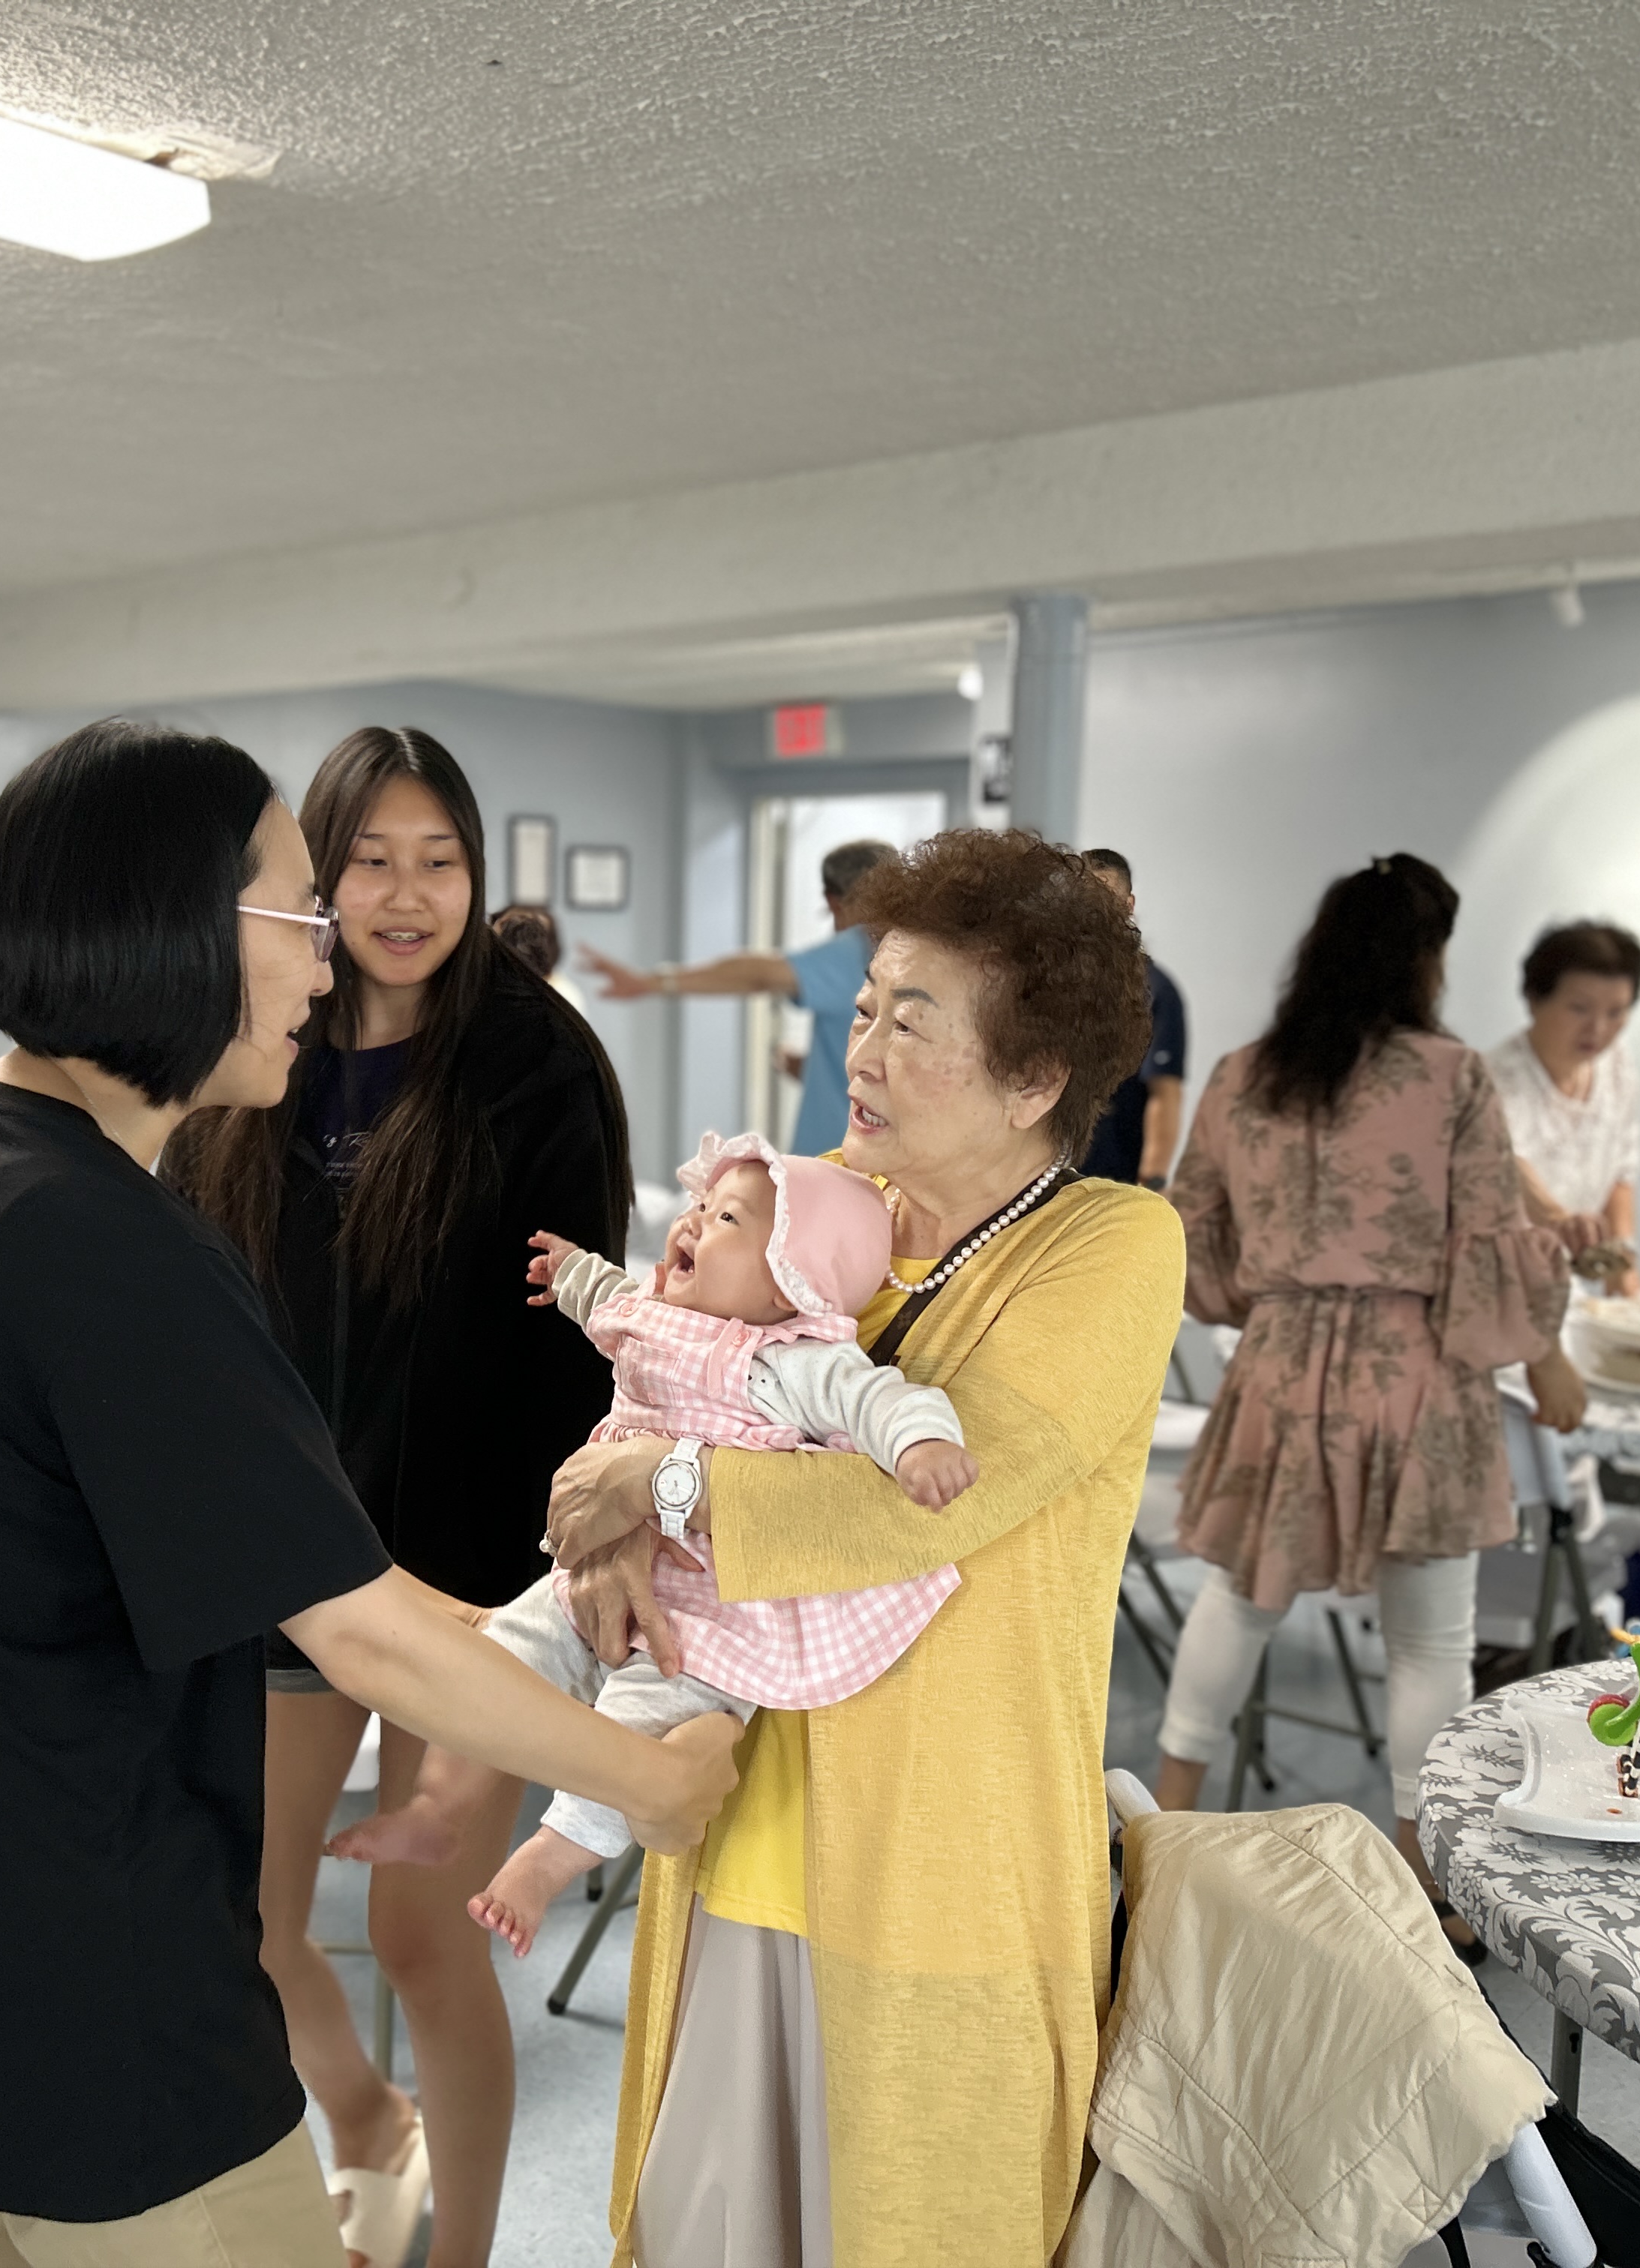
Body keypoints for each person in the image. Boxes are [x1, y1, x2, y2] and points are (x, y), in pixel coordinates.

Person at [0, 719, 738, 2268]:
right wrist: (651, 1781)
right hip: (95, 2039)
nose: (324, 953)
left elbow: (313, 1563)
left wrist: (550, 1606)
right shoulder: (104, 1246)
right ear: (174, 927)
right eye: (304, 904)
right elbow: (355, 1631)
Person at [542, 830, 1182, 2265]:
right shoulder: (806, 1197)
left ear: (1034, 1077)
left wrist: (665, 1485)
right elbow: (648, 1376)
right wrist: (608, 1527)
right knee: (711, 2221)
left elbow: (934, 1494)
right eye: (866, 1005)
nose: (864, 1047)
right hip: (736, 1813)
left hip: (940, 1846)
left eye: (914, 1019)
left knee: (910, 2217)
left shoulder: (1109, 1244)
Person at [165, 727, 633, 2268]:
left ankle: (463, 2249)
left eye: (440, 860)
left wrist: (556, 1591)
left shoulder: (535, 1061)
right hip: (297, 1561)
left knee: (425, 1933)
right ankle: (369, 2118)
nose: (407, 894)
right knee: (247, 1921)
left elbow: (584, 1346)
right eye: (370, 859)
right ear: (320, 874)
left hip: (476, 1578)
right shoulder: (261, 1034)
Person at [331, 1130, 976, 1955]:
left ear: (794, 1283)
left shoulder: (792, 1361)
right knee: (499, 1661)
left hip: (708, 1613)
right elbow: (605, 1293)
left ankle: (545, 1862)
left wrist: (921, 1447)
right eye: (701, 1205)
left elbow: (880, 1400)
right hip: (594, 1569)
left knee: (635, 1731)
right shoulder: (657, 1314)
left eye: (728, 1219)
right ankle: (436, 1810)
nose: (693, 1221)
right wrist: (569, 1270)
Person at [1150, 854, 1581, 1961]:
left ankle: (1162, 1824)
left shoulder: (1246, 1074)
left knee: (1237, 1597)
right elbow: (1487, 1241)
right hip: (1417, 1368)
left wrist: (1265, 1300)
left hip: (1280, 1367)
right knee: (1429, 1641)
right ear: (1426, 959)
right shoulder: (1452, 1077)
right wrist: (1547, 1362)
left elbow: (1189, 1233)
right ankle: (1418, 1888)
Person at [580, 837, 900, 1155]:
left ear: (835, 903)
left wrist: (649, 983)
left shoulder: (861, 950)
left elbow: (758, 974)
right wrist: (812, 1068)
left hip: (841, 1158)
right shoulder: (910, 956)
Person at [1486, 920, 1640, 1296]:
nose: (1598, 1029)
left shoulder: (1619, 1069)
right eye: (1579, 1009)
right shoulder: (1491, 1081)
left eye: (1616, 1012)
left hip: (1568, 1285)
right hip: (1501, 1285)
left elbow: (1621, 1172)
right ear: (1534, 1000)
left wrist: (1623, 1268)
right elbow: (1506, 1165)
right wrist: (1559, 1220)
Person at [1077, 849, 1188, 1190]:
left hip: (1117, 1181)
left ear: (1128, 905)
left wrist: (1152, 1182)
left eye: (1106, 899)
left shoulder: (1156, 991)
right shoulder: (1051, 985)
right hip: (1046, 1178)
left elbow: (1164, 1093)